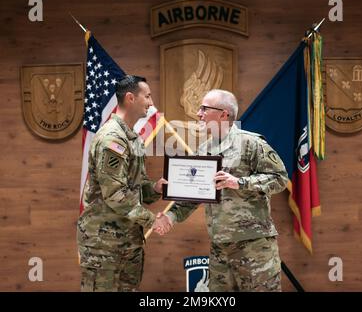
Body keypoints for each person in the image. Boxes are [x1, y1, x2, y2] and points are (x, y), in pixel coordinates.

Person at [160, 89, 289, 292]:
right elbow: (193, 194)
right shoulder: (203, 150)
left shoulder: (251, 144)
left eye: (204, 108)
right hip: (220, 248)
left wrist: (240, 183)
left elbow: (280, 178)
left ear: (223, 114)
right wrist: (171, 216)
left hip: (253, 245)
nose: (199, 113)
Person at [77, 75, 167, 292]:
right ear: (130, 98)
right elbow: (115, 194)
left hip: (128, 242)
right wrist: (151, 220)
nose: (151, 103)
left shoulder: (131, 138)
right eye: (147, 96)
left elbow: (135, 187)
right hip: (104, 245)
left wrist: (155, 188)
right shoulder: (112, 139)